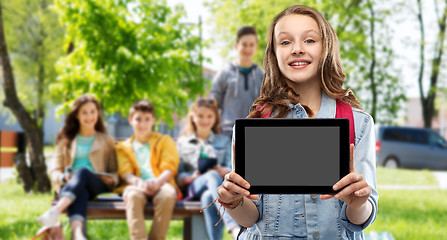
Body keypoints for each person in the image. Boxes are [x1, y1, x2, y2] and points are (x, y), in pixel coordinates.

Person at [216, 5, 378, 240]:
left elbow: (361, 217)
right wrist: (234, 202)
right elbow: (251, 218)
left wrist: (357, 203)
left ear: (326, 49)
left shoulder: (358, 123)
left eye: (310, 40)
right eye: (285, 42)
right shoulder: (255, 124)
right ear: (274, 54)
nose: (297, 49)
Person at [37, 95, 118, 240]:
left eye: (93, 111)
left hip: (97, 184)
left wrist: (112, 178)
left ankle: (55, 211)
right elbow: (55, 169)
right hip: (73, 186)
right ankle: (78, 235)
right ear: (77, 116)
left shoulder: (106, 140)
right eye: (84, 112)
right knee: (81, 190)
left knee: (82, 172)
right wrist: (63, 177)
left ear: (97, 113)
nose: (89, 116)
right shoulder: (65, 139)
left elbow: (115, 171)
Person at [115, 100, 181, 240]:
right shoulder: (122, 147)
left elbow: (170, 167)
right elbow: (125, 173)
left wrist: (156, 183)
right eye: (138, 119)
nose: (142, 124)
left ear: (153, 121)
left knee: (168, 195)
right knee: (133, 196)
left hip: (161, 183)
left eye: (147, 119)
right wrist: (140, 183)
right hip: (135, 185)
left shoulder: (164, 141)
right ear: (131, 120)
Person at [176, 98, 241, 240]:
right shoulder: (183, 143)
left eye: (209, 116)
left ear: (214, 119)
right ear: (193, 118)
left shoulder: (223, 141)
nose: (204, 120)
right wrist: (192, 176)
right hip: (193, 188)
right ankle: (234, 228)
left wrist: (220, 169)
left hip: (216, 190)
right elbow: (178, 175)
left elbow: (232, 169)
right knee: (211, 176)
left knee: (208, 197)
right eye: (200, 116)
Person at [210, 26, 264, 139]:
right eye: (244, 44)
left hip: (255, 134)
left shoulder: (262, 77)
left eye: (251, 45)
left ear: (256, 48)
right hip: (227, 133)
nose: (247, 49)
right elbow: (214, 106)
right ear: (236, 46)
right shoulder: (224, 74)